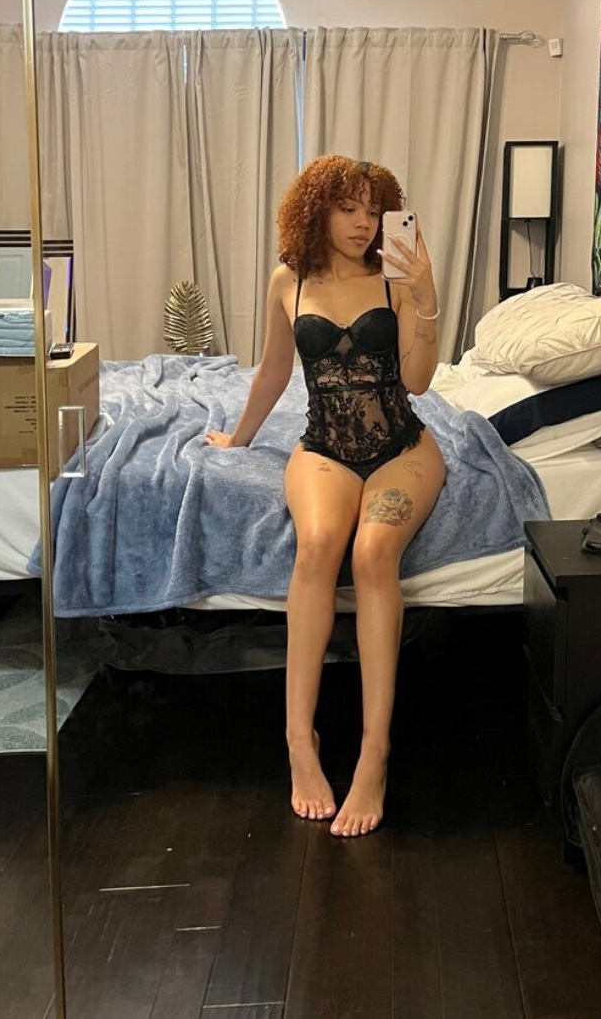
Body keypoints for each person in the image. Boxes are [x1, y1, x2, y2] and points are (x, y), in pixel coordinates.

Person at [204, 154, 445, 836]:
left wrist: (425, 298)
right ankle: (299, 740)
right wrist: (239, 438)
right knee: (316, 547)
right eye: (348, 208)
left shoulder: (396, 277)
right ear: (318, 211)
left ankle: (374, 753)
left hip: (402, 448)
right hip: (324, 448)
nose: (363, 223)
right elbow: (273, 371)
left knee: (373, 554)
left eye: (373, 210)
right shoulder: (290, 279)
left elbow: (419, 382)